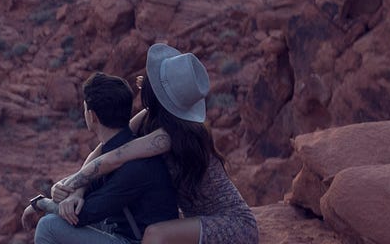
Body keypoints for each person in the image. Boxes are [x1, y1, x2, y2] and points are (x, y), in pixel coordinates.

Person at [51, 44, 259, 244]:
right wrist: (78, 190)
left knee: (155, 234)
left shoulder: (167, 137)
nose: (142, 81)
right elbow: (103, 150)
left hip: (234, 224)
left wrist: (69, 185)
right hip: (197, 221)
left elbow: (116, 157)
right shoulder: (150, 117)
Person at [23, 73, 178, 243]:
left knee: (49, 226)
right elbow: (89, 181)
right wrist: (76, 192)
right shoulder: (120, 148)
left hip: (137, 240)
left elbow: (82, 215)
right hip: (125, 232)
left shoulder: (134, 166)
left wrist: (40, 204)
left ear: (92, 116)